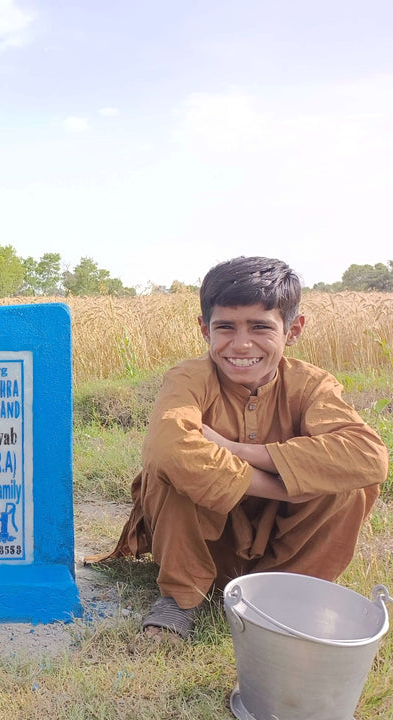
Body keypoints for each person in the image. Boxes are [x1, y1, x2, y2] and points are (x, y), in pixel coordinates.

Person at [101, 256, 388, 640]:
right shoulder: (189, 378)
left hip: (284, 547)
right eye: (226, 327)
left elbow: (368, 457)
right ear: (204, 330)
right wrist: (283, 483)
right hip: (206, 546)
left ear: (293, 329)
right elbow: (167, 449)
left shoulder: (312, 385)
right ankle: (181, 599)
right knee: (170, 472)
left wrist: (235, 449)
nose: (241, 344)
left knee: (350, 485)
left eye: (260, 327)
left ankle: (284, 596)